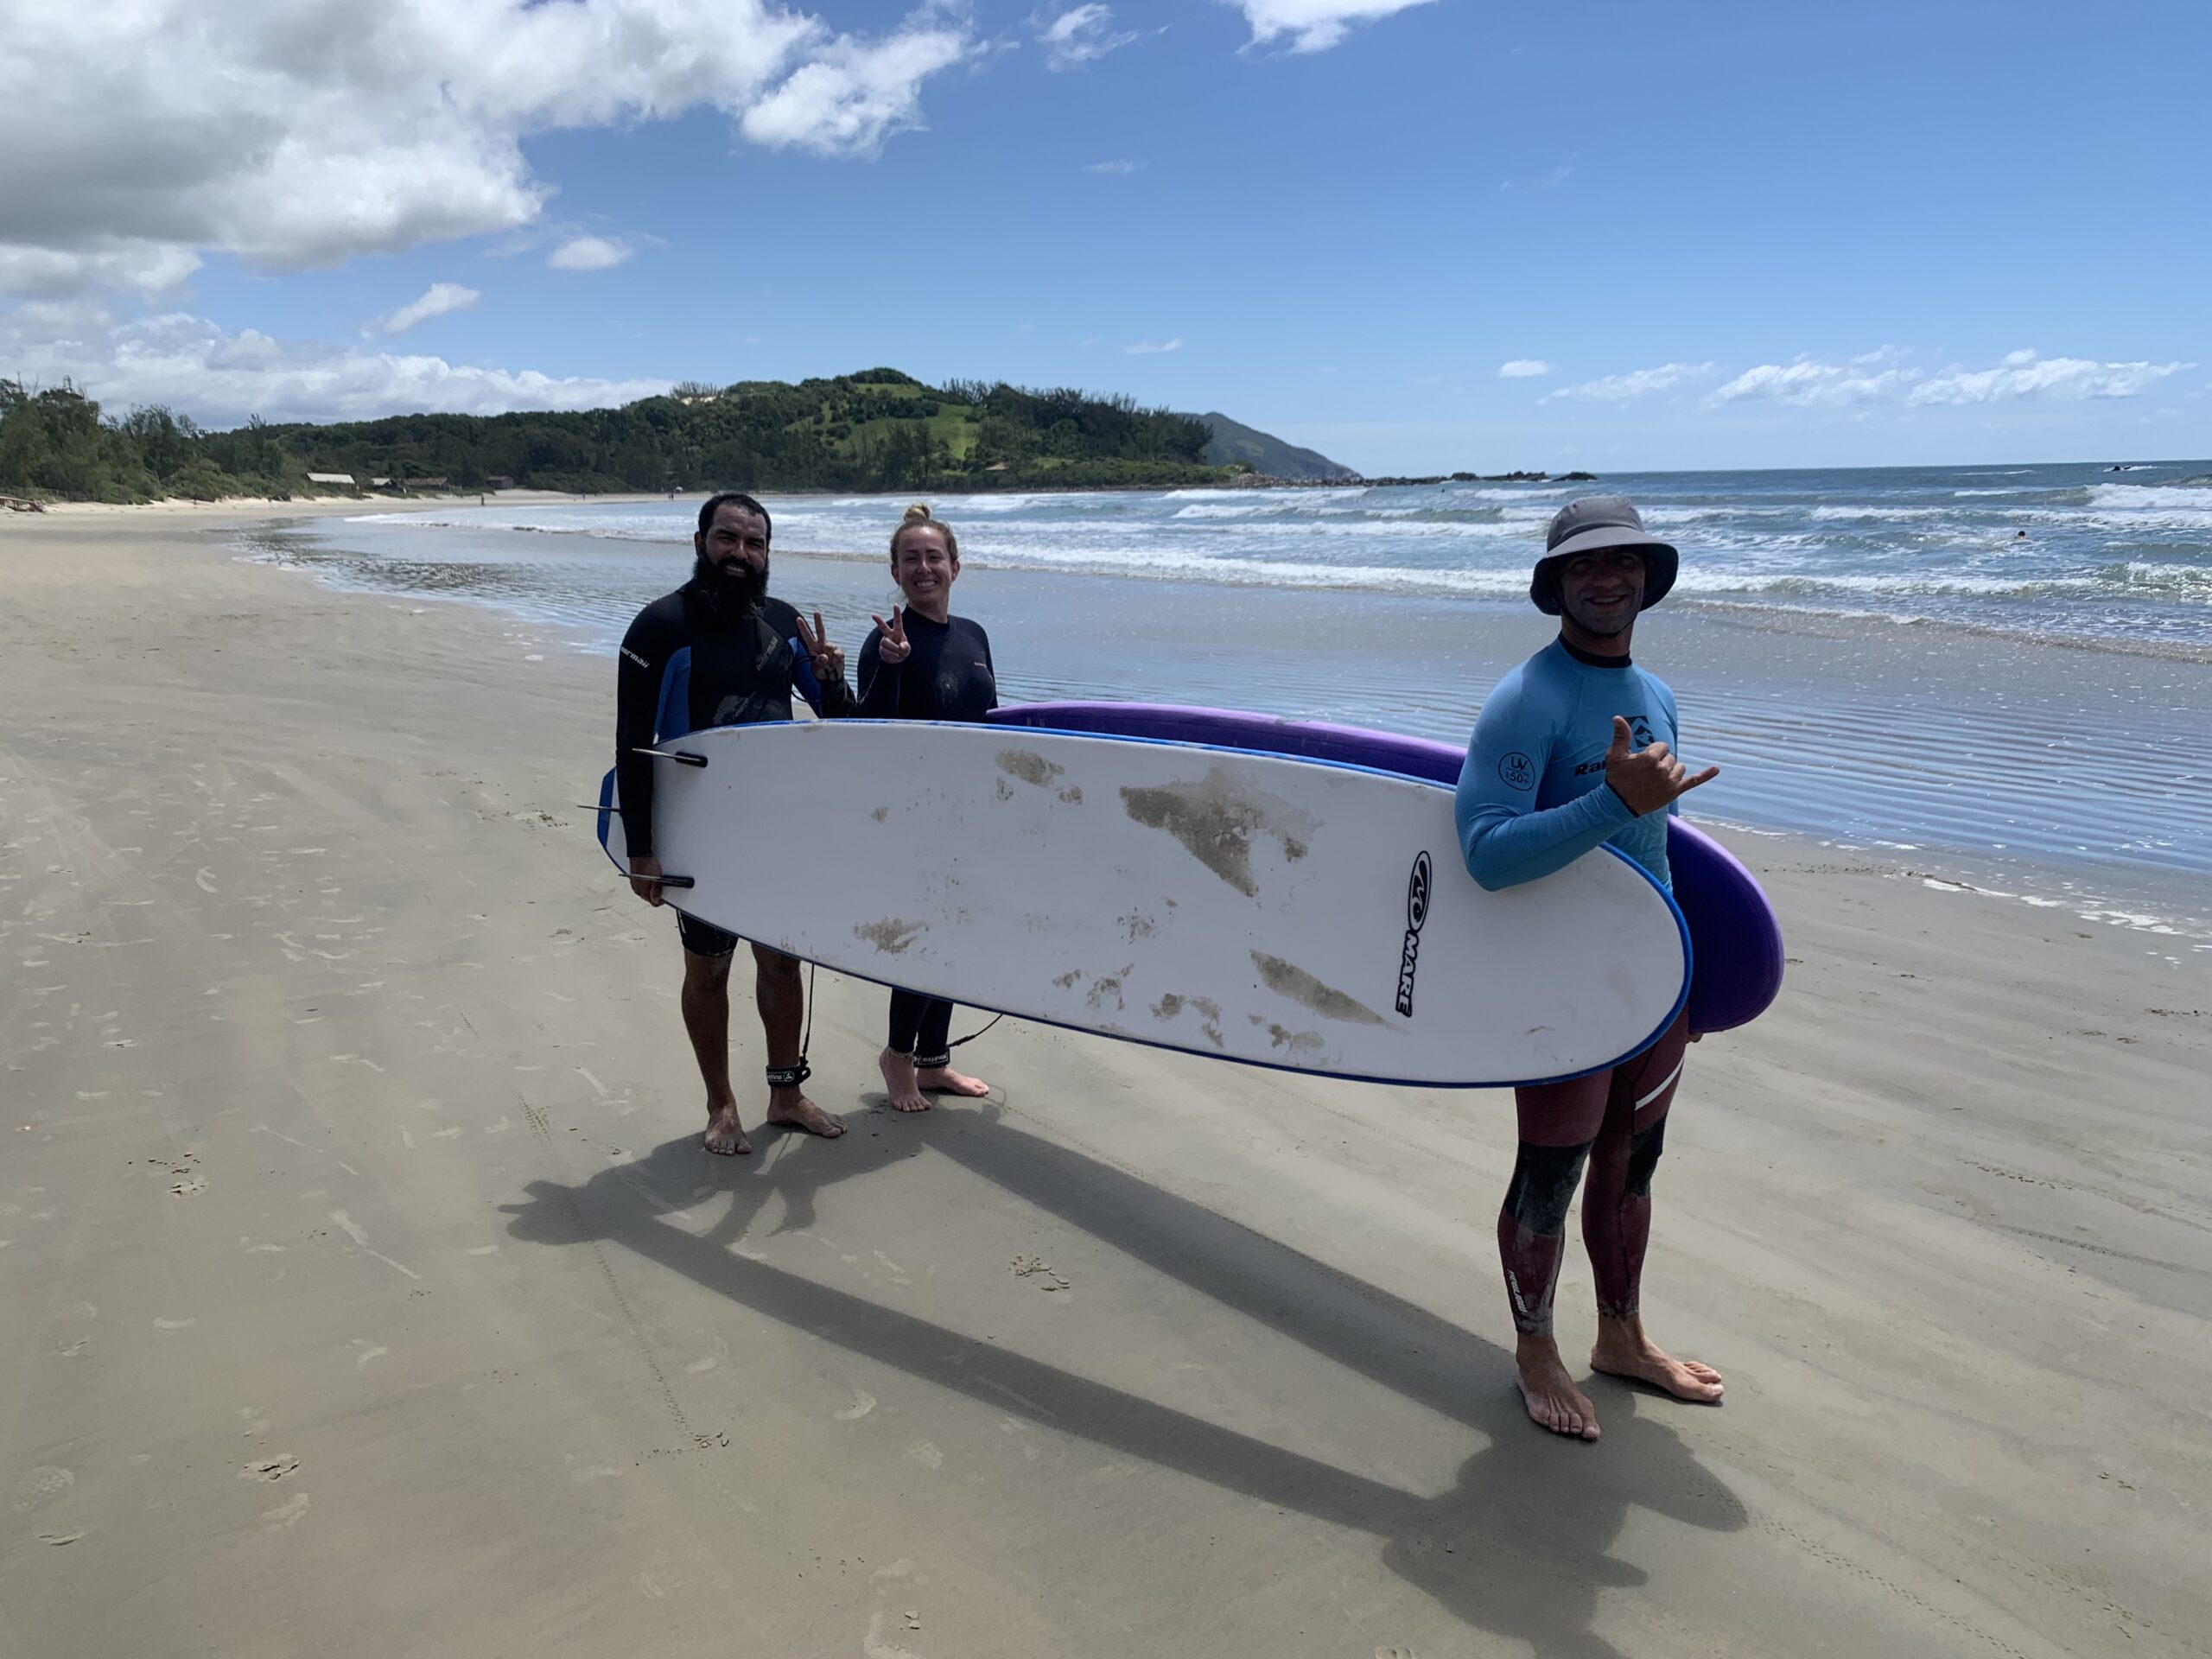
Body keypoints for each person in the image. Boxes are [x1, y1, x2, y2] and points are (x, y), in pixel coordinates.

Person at [1454, 495, 1725, 1441]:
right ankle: (1535, 1347)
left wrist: (1691, 970)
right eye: (1583, 567)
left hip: (1650, 975)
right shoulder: (1528, 699)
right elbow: (1486, 854)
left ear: (1647, 578)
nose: (1606, 580)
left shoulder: (1656, 694)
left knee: (1633, 1160)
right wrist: (1610, 803)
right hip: (1559, 978)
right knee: (1552, 1167)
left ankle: (1622, 1338)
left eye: (1623, 564)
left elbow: (1661, 844)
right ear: (1556, 584)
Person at [614, 491, 853, 1155]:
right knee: (709, 969)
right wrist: (643, 847)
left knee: (781, 963)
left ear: (768, 553)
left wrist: (833, 680)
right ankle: (721, 1104)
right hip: (700, 832)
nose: (741, 554)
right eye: (728, 539)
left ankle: (785, 1094)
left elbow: (839, 718)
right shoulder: (659, 627)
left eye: (755, 543)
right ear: (700, 544)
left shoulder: (783, 622)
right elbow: (631, 742)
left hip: (777, 830)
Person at [855, 505, 998, 1113]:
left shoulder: (974, 635)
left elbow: (990, 723)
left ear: (955, 567)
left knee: (959, 932)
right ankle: (897, 1056)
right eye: (910, 558)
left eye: (933, 556)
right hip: (911, 812)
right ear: (895, 570)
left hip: (970, 808)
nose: (923, 567)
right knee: (923, 934)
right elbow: (865, 730)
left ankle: (935, 1061)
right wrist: (891, 667)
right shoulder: (887, 639)